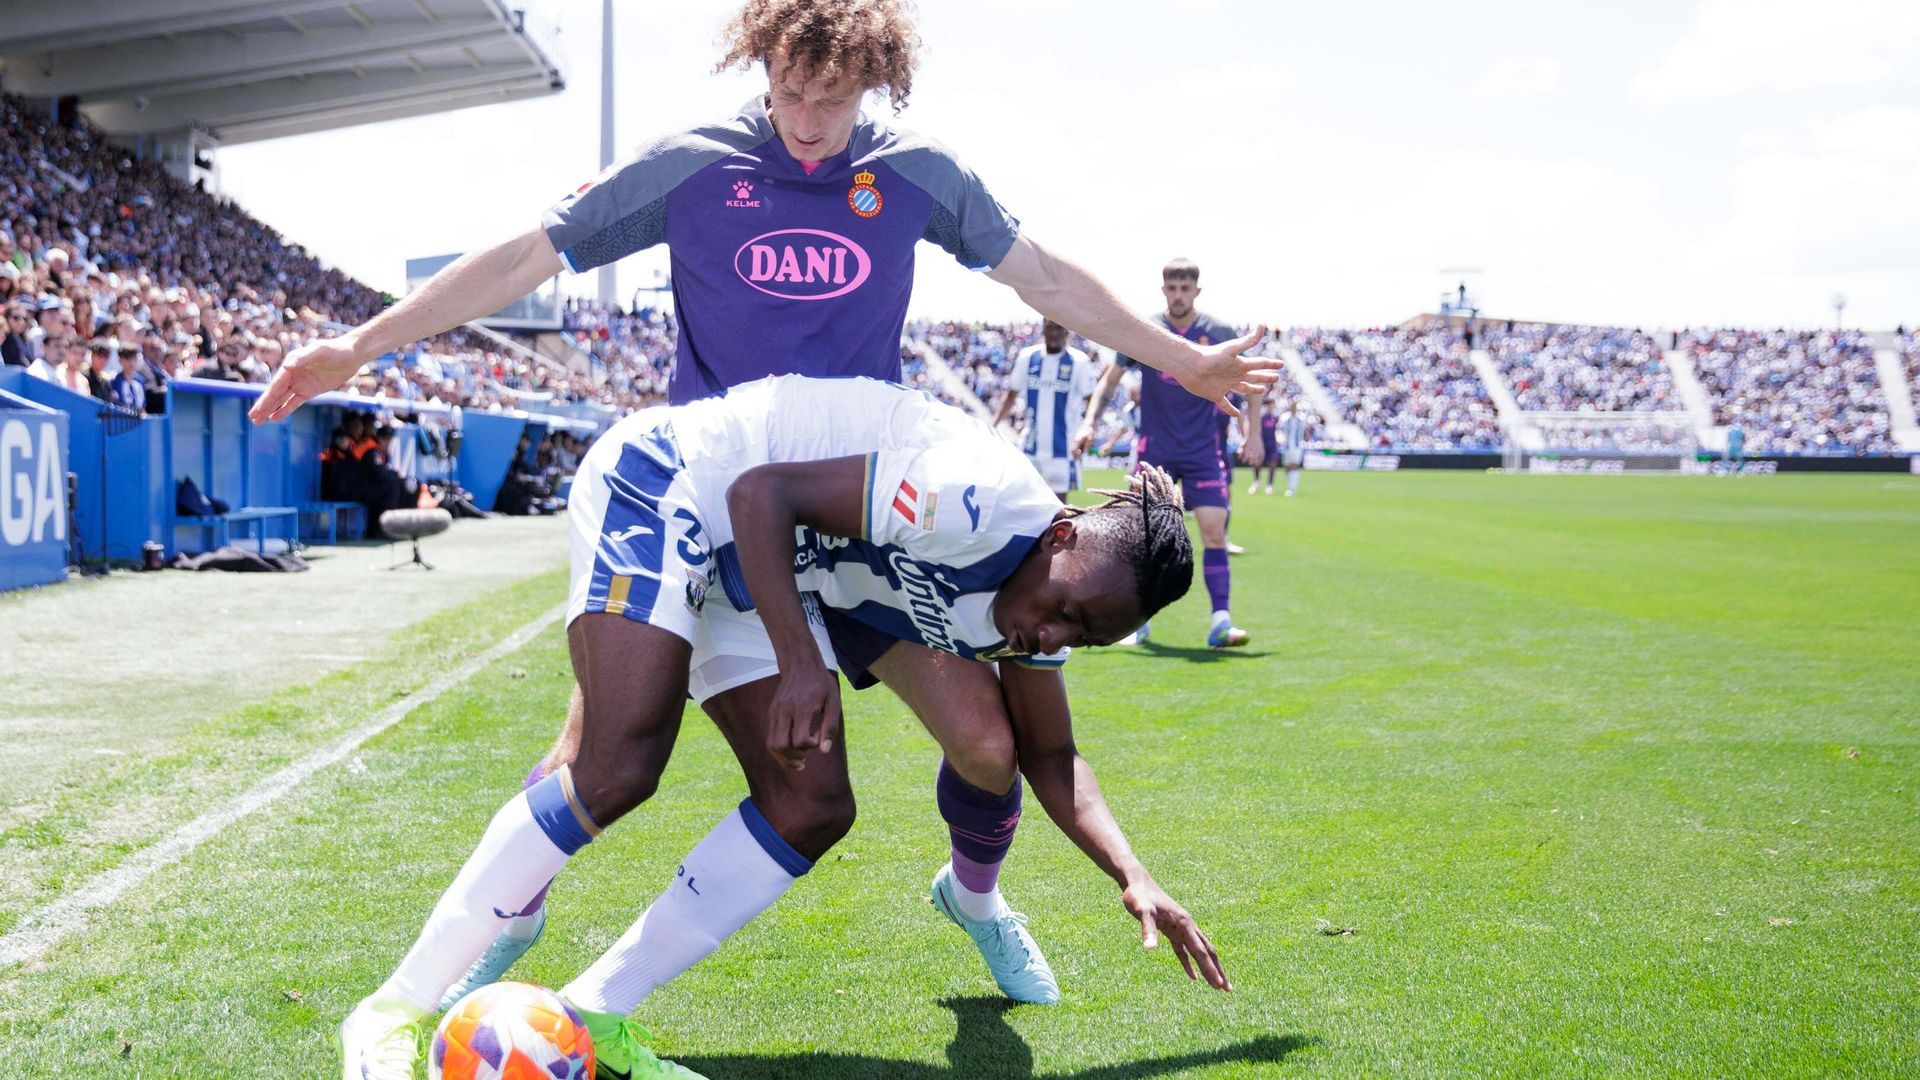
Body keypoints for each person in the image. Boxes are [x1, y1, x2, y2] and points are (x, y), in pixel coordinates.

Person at [251, 0, 1272, 1065]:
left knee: (915, 758)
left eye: (833, 102)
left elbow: (1048, 278)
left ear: (874, 85)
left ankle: (951, 904)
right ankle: (454, 961)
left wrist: (1182, 358)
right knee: (608, 753)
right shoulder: (693, 165)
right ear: (760, 66)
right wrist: (361, 345)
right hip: (701, 486)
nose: (809, 123)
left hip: (846, 524)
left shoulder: (915, 173)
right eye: (789, 94)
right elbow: (522, 261)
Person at [340, 377, 1228, 1079]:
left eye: (1088, 637)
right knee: (621, 761)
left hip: (765, 567)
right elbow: (763, 491)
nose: (1054, 636)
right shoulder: (973, 498)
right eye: (1068, 611)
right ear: (1063, 534)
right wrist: (802, 660)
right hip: (675, 484)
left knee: (813, 802)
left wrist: (1134, 874)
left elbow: (1051, 754)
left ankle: (594, 1011)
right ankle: (390, 1013)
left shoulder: (1043, 604)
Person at [1075, 258, 1259, 649]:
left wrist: (1252, 433)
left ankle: (1221, 622)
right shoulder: (1147, 332)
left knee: (1212, 531)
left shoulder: (1218, 332)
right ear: (1164, 290)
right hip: (1155, 451)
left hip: (1203, 451)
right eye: (1172, 288)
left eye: (1185, 288)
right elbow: (1110, 381)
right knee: (1142, 538)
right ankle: (1136, 624)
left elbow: (1249, 384)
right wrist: (1090, 421)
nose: (1178, 295)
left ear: (1196, 291)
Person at [989, 317, 1101, 498]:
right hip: (1030, 445)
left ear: (1067, 331)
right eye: (1050, 327)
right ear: (1043, 329)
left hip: (1062, 448)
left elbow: (1092, 400)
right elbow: (1012, 394)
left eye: (1059, 328)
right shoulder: (1028, 357)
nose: (1054, 333)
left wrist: (1088, 428)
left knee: (1057, 508)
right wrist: (992, 425)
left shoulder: (1079, 362)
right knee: (1023, 501)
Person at [1277, 399, 1307, 497]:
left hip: (1297, 446)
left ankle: (1292, 488)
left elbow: (1305, 431)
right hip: (1286, 445)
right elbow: (1279, 430)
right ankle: (1289, 485)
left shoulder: (1301, 418)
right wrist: (1279, 438)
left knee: (1294, 465)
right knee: (1287, 466)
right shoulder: (1284, 417)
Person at [1253, 397, 1280, 494]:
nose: (1272, 407)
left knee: (1272, 464)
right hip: (1262, 443)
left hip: (1272, 444)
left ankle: (1270, 485)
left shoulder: (1276, 418)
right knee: (1257, 463)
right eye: (1270, 405)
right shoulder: (1261, 417)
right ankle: (1256, 482)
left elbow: (1278, 430)